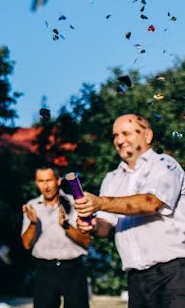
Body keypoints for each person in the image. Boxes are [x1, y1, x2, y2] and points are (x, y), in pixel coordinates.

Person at [75, 114, 185, 308]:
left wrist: (100, 202)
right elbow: (105, 227)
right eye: (115, 136)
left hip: (174, 273)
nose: (119, 140)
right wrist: (91, 224)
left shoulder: (165, 164)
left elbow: (151, 202)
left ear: (147, 135)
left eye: (126, 133)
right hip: (136, 279)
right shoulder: (112, 178)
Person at [21, 165, 90, 308]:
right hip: (44, 271)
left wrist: (66, 226)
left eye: (49, 180)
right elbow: (26, 244)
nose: (45, 186)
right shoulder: (32, 206)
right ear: (36, 183)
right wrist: (33, 224)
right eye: (41, 181)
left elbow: (86, 241)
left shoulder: (75, 203)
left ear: (58, 181)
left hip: (73, 270)